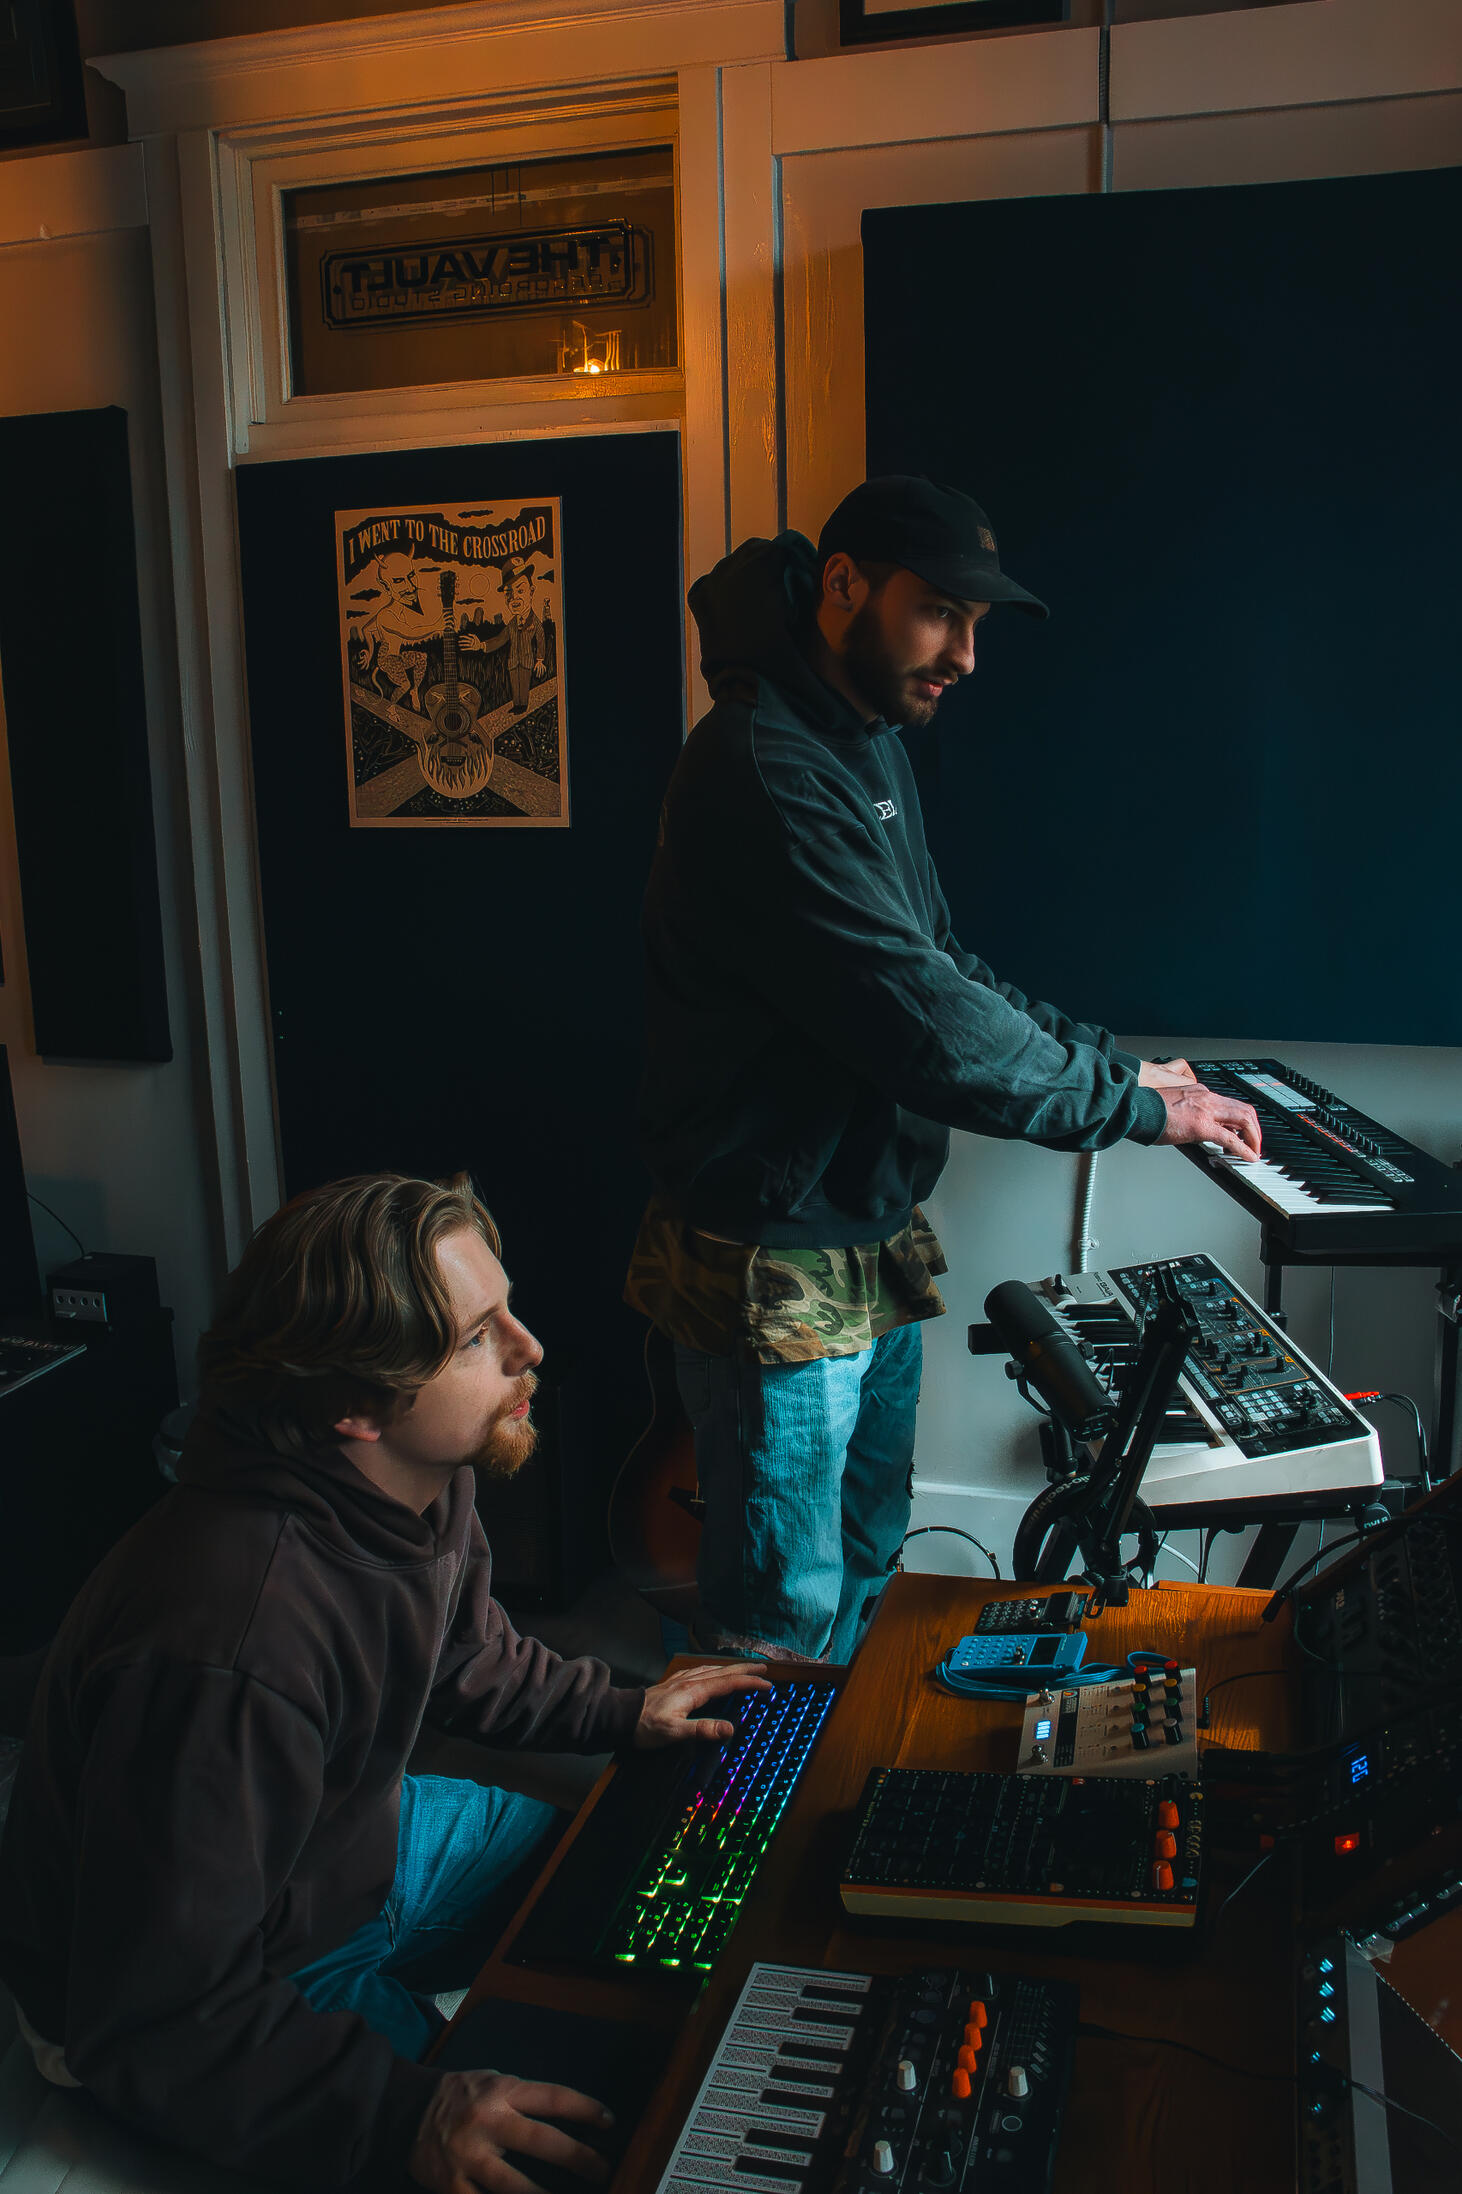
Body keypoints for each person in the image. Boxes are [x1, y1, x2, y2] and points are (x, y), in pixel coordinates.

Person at [0, 1172, 766, 2193]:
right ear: (357, 1402)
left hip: (345, 1852)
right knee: (565, 2143)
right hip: (213, 1980)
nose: (529, 1348)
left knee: (666, 1874)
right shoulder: (230, 1643)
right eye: (475, 1337)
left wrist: (623, 1709)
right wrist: (406, 2110)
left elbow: (467, 1658)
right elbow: (153, 2006)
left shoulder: (418, 1475)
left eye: (508, 1310)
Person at [624, 474, 1262, 1666]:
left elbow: (940, 962)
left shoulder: (860, 740)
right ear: (845, 585)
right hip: (778, 1246)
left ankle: (817, 1804)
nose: (965, 655)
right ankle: (724, 1847)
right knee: (776, 1618)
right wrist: (1131, 1109)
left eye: (976, 624)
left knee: (865, 1557)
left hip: (863, 1222)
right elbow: (924, 1025)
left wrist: (1110, 1064)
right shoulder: (764, 765)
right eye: (939, 615)